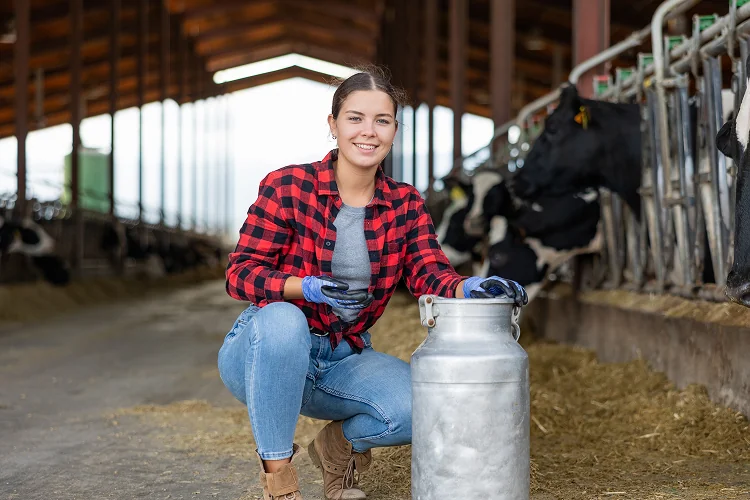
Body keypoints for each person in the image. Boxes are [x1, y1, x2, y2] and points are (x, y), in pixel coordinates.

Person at [218, 65, 528, 500]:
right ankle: (279, 484)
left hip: (342, 357)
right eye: (355, 118)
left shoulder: (405, 202)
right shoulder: (287, 187)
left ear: (394, 130)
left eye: (382, 121)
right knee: (285, 321)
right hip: (264, 352)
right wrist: (301, 287)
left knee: (423, 408)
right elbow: (241, 274)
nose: (369, 132)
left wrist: (468, 288)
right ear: (333, 125)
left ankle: (336, 449)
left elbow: (428, 271)